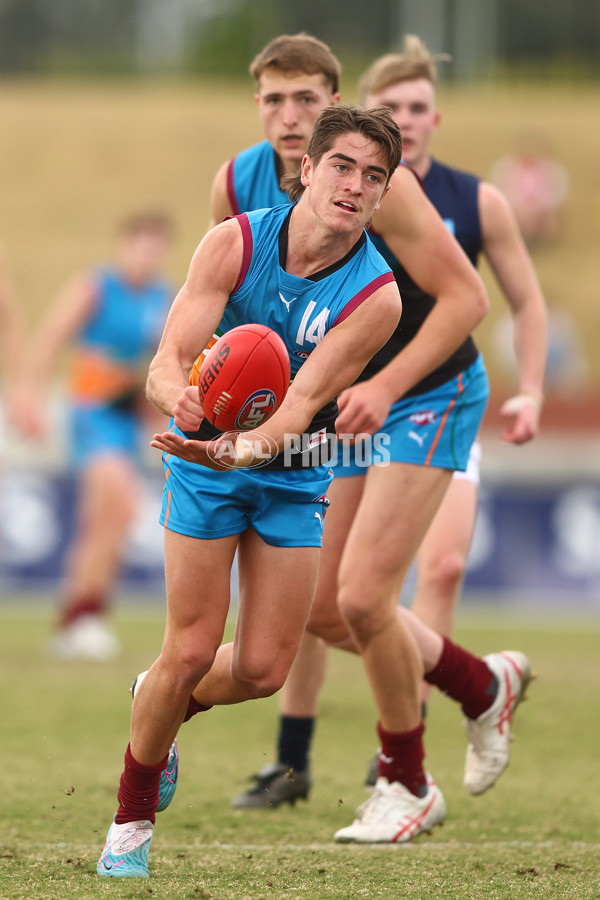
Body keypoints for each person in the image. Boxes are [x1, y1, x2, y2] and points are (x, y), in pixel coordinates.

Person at [229, 34, 547, 816]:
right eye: (275, 98)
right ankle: (481, 682)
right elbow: (240, 311)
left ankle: (405, 783)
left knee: (372, 598)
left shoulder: (384, 183)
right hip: (343, 401)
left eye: (309, 99)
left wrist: (392, 383)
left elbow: (471, 302)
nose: (291, 114)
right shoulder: (237, 182)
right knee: (323, 607)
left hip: (430, 392)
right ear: (257, 107)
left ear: (335, 99)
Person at [96, 103, 406, 879]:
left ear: (383, 194)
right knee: (193, 646)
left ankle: (157, 698)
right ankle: (130, 825)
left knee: (265, 670)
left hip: (292, 470)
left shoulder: (378, 297)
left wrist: (249, 448)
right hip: (206, 463)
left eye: (374, 176)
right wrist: (186, 405)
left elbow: (302, 407)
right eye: (342, 166)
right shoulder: (233, 241)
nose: (353, 185)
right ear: (309, 168)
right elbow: (165, 363)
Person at [20, 212, 174, 661]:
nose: (147, 255)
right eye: (140, 245)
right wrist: (29, 397)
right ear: (124, 246)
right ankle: (85, 615)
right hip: (90, 413)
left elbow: (156, 366)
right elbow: (49, 339)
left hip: (125, 419)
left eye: (155, 247)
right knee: (121, 503)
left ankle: (78, 616)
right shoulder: (96, 287)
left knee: (104, 520)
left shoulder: (161, 299)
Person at [490, 132, 569, 249]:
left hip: (541, 208)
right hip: (517, 207)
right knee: (519, 215)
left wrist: (541, 207)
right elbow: (502, 191)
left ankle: (541, 246)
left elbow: (558, 192)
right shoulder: (508, 168)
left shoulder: (550, 170)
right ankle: (522, 244)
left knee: (550, 219)